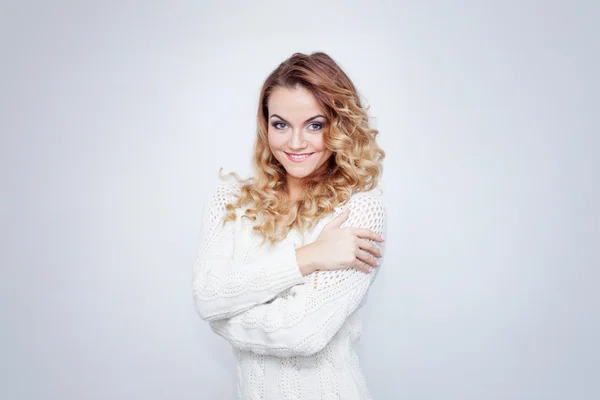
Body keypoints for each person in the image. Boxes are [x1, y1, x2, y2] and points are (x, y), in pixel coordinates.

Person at [192, 51, 387, 400]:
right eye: (281, 124)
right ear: (265, 125)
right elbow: (206, 297)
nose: (296, 143)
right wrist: (308, 257)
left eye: (315, 125)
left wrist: (222, 320)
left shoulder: (358, 209)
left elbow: (302, 333)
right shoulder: (232, 202)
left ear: (339, 125)